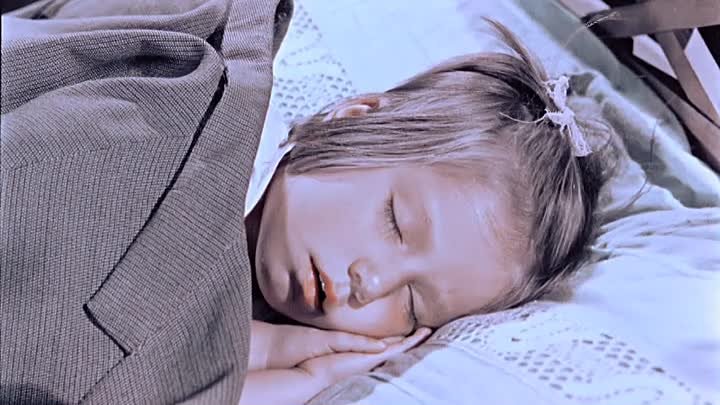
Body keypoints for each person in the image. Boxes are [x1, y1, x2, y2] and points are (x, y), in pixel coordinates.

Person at [239, 20, 619, 404]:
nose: (372, 283)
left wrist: (303, 371)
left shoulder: (260, 319)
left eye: (411, 306)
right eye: (394, 223)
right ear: (354, 118)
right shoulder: (229, 132)